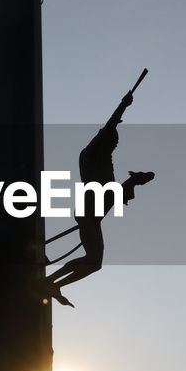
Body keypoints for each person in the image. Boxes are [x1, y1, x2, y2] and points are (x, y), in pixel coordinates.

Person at [47, 87, 154, 305]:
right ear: (103, 142)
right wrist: (123, 105)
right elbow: (110, 125)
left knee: (95, 262)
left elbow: (111, 197)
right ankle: (50, 282)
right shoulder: (89, 157)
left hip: (94, 216)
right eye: (111, 145)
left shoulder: (104, 166)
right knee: (93, 260)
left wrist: (135, 181)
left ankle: (53, 284)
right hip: (88, 213)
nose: (113, 149)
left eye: (114, 146)